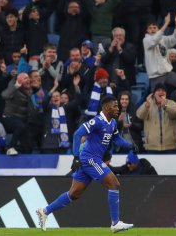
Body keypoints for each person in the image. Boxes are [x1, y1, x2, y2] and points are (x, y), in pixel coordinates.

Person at [36, 95, 134, 233]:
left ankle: (44, 211)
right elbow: (77, 134)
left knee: (74, 194)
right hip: (89, 159)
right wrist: (76, 157)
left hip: (90, 160)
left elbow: (117, 139)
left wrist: (131, 146)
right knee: (114, 184)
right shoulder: (97, 121)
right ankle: (115, 223)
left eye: (118, 106)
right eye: (115, 106)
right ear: (106, 107)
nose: (118, 108)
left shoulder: (112, 123)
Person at [143, 12, 176, 91]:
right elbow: (154, 40)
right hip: (156, 76)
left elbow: (175, 38)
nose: (152, 29)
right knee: (156, 98)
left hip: (167, 72)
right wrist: (166, 23)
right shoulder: (146, 40)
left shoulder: (163, 38)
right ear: (147, 30)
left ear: (158, 29)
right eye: (150, 28)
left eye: (154, 27)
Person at [136, 83, 176, 153]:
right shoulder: (147, 104)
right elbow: (139, 115)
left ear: (166, 93)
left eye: (163, 90)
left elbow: (175, 113)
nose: (161, 92)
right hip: (151, 147)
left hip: (169, 146)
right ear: (154, 93)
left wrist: (165, 106)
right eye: (158, 90)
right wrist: (146, 105)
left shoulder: (171, 103)